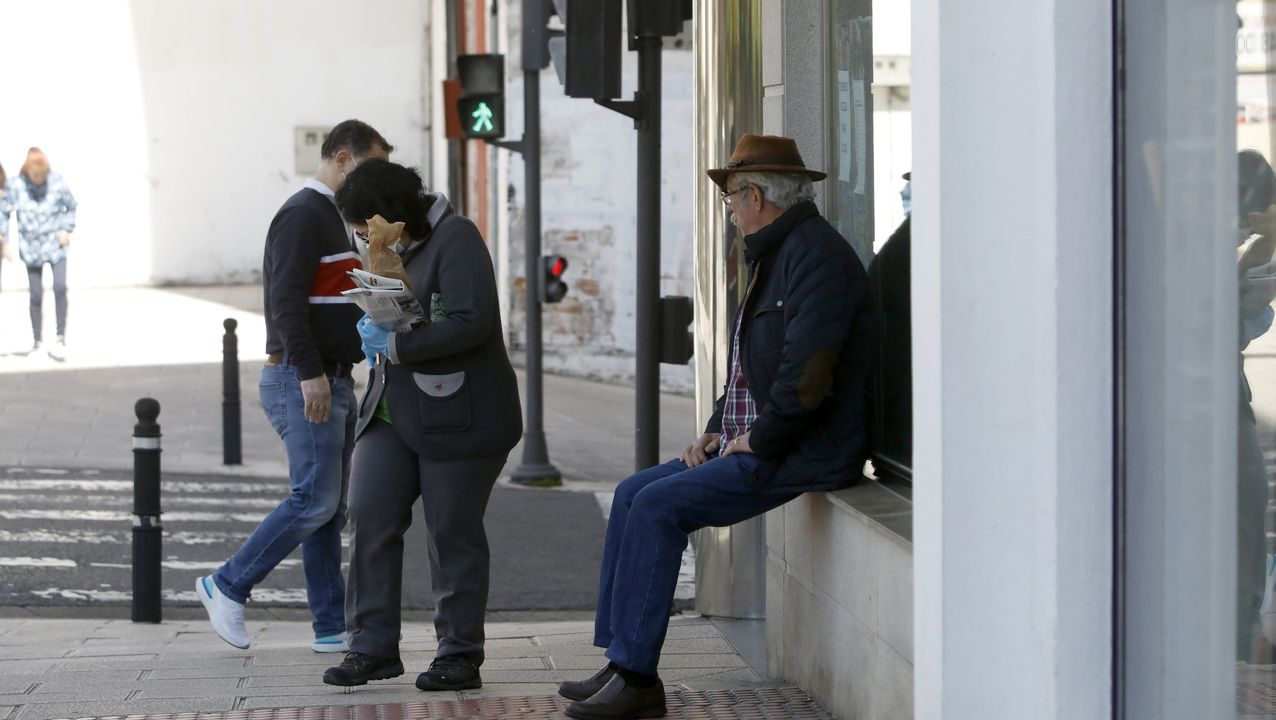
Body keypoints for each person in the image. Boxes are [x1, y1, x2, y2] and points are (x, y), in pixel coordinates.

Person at [556, 134, 873, 720]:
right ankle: (621, 660)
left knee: (658, 508)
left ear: (755, 196)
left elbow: (808, 374)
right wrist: (715, 429)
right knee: (631, 493)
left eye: (730, 198)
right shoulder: (777, 253)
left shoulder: (815, 256)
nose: (728, 209)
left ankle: (637, 679)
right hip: (751, 441)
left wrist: (759, 438)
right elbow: (751, 368)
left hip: (796, 449)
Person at [320, 159, 522, 691]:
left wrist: (398, 344)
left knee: (451, 530)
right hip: (390, 406)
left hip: (457, 413)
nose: (364, 239)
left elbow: (471, 321)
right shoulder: (387, 246)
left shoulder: (456, 237)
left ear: (393, 214)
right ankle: (371, 647)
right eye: (359, 232)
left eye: (367, 227)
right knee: (369, 516)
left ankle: (459, 654)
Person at [196, 120, 393, 653]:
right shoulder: (303, 213)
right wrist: (310, 375)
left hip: (332, 376)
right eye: (371, 167)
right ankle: (227, 585)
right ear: (343, 158)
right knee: (313, 501)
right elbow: (284, 303)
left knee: (327, 509)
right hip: (303, 376)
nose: (375, 180)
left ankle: (330, 627)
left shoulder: (336, 218)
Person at [0, 149, 77, 360]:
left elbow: (71, 206)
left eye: (41, 175)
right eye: (35, 176)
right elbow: (3, 211)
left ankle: (60, 338)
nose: (38, 180)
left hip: (55, 246)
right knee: (35, 294)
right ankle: (38, 342)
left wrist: (66, 229)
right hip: (31, 248)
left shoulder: (56, 183)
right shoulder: (17, 186)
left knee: (60, 287)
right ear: (28, 170)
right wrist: (4, 241)